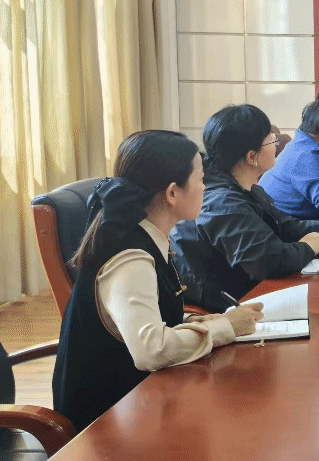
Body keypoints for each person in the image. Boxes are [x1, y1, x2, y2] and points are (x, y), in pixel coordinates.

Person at [52, 130, 264, 430]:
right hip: (107, 427)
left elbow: (154, 313)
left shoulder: (145, 234)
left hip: (141, 404)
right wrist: (226, 328)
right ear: (172, 193)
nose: (205, 187)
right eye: (200, 179)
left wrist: (206, 321)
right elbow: (150, 350)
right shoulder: (130, 257)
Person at [172, 105, 319, 313]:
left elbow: (288, 226)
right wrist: (308, 247)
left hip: (252, 288)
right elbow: (267, 261)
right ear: (251, 157)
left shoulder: (246, 188)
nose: (277, 145)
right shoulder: (223, 203)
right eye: (271, 140)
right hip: (230, 305)